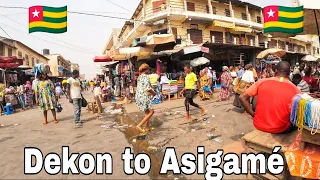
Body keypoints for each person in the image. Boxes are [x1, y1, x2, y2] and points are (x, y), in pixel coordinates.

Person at [239, 61, 301, 134]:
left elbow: (242, 97)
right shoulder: (296, 90)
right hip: (280, 129)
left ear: (276, 71)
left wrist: (253, 114)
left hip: (259, 125)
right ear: (289, 73)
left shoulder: (261, 82)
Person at [135, 64, 156, 132]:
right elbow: (147, 88)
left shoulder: (139, 77)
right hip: (144, 96)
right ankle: (139, 125)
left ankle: (147, 127)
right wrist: (153, 93)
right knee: (151, 111)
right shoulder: (146, 77)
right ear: (147, 69)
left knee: (147, 112)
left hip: (138, 96)